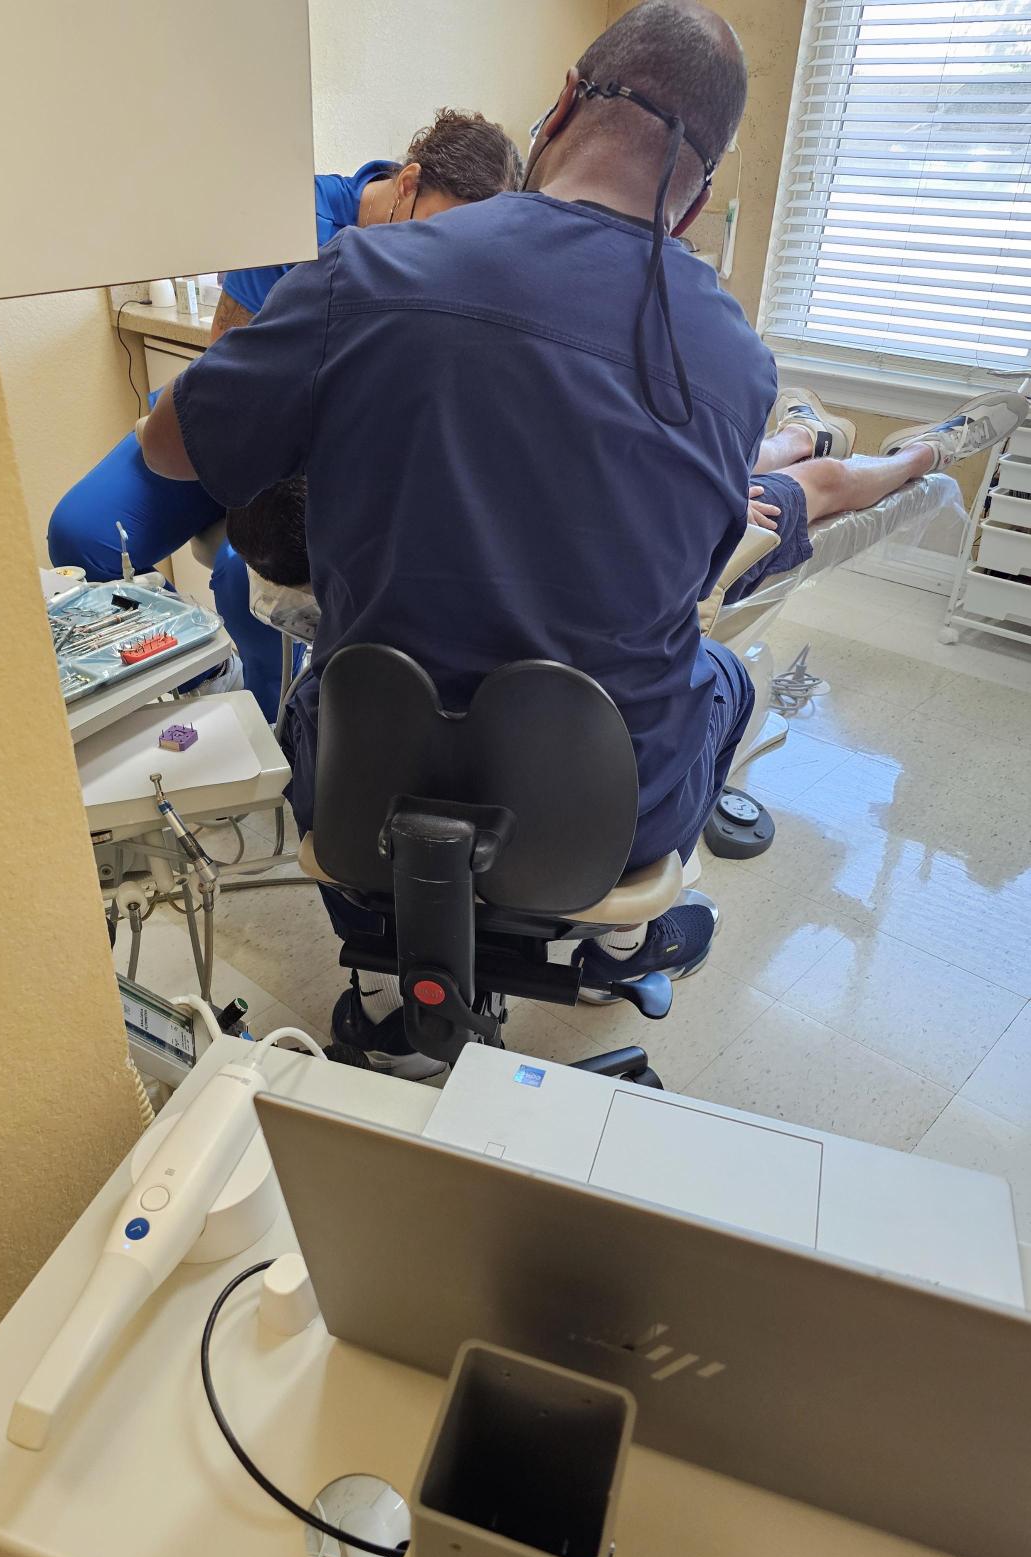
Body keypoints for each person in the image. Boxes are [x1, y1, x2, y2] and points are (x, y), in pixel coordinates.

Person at [140, 1, 782, 1072]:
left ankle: (401, 941)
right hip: (603, 816)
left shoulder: (367, 270)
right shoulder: (733, 358)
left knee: (320, 678)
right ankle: (616, 932)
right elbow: (694, 573)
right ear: (697, 199)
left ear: (559, 106)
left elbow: (169, 451)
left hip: (368, 783)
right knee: (723, 675)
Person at [47, 110, 523, 721]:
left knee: (242, 576)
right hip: (239, 430)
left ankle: (271, 735)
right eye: (439, 232)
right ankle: (202, 671)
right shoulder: (294, 215)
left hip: (331, 468)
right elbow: (221, 365)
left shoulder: (469, 273)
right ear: (407, 184)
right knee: (80, 530)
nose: (445, 262)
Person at [732, 386, 1029, 602]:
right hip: (697, 542)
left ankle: (805, 436)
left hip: (689, 503)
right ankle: (922, 454)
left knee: (725, 459)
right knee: (823, 477)